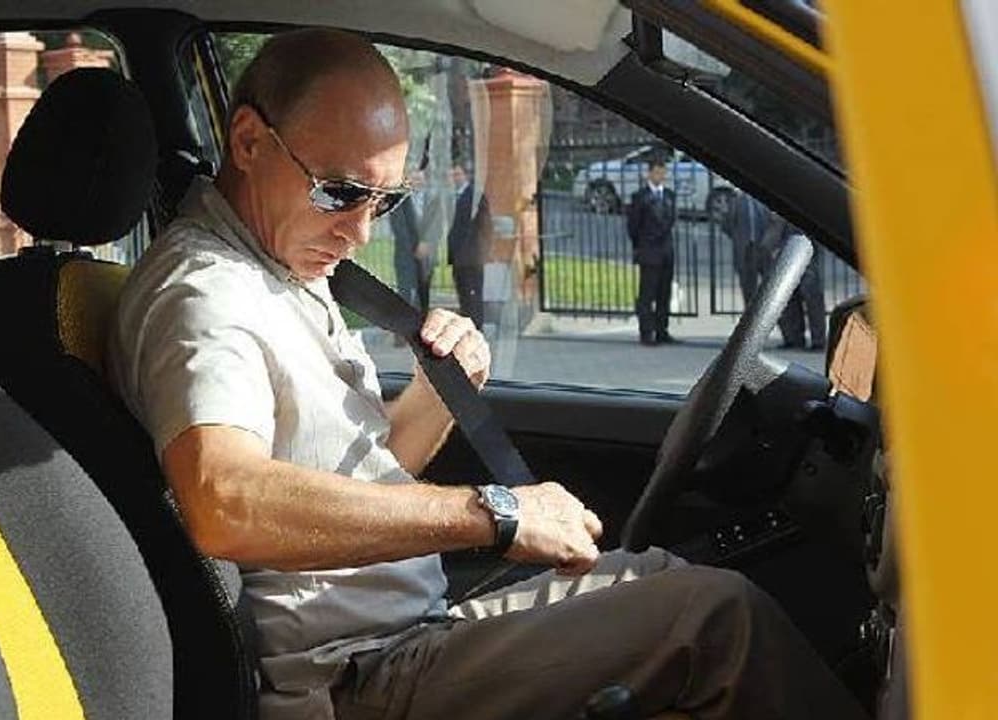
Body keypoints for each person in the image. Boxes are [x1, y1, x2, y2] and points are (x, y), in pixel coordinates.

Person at [110, 28, 867, 720]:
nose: (361, 231)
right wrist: (496, 513)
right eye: (339, 192)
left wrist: (439, 392)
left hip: (409, 631)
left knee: (661, 576)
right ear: (248, 141)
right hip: (354, 678)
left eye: (384, 199)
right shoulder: (204, 295)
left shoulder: (279, 264)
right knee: (716, 621)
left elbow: (356, 477)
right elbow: (224, 499)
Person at [626, 159, 678, 345]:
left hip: (666, 252)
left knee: (664, 294)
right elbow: (633, 227)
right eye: (656, 172)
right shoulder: (640, 196)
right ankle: (646, 333)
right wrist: (641, 246)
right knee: (647, 294)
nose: (660, 176)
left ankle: (662, 330)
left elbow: (671, 221)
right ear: (649, 174)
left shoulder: (669, 195)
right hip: (649, 251)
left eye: (662, 173)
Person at [447, 164, 491, 330]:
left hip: (472, 256)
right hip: (457, 257)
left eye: (458, 174)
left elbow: (486, 226)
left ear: (466, 175)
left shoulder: (475, 196)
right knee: (463, 294)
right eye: (452, 175)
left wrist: (483, 251)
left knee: (473, 295)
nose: (455, 178)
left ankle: (476, 328)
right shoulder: (453, 196)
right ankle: (467, 327)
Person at [391, 169, 433, 312]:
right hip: (405, 253)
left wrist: (427, 243)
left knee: (424, 292)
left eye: (420, 179)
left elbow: (436, 224)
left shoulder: (431, 200)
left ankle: (423, 320)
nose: (418, 182)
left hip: (426, 254)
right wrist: (415, 248)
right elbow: (399, 228)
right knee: (406, 291)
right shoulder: (400, 201)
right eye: (414, 179)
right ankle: (404, 322)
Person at [723, 190, 773, 305]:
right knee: (747, 287)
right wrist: (738, 237)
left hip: (763, 248)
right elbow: (727, 226)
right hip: (745, 250)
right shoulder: (736, 201)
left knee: (770, 284)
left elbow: (773, 224)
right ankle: (750, 311)